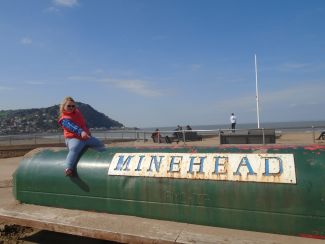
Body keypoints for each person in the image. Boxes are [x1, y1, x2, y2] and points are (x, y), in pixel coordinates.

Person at [58, 96, 105, 177]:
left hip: (84, 137)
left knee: (99, 143)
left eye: (73, 106)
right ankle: (68, 168)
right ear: (63, 107)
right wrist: (81, 132)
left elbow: (83, 124)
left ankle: (93, 157)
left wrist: (87, 132)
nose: (71, 107)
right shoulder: (64, 119)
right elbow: (72, 127)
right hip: (72, 138)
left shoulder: (77, 113)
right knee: (75, 148)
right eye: (69, 106)